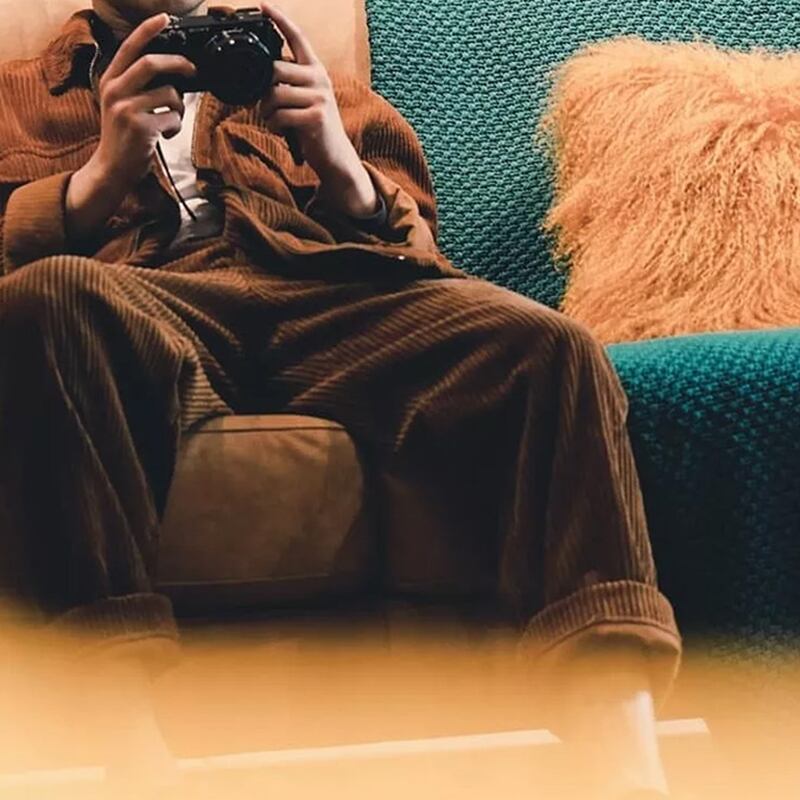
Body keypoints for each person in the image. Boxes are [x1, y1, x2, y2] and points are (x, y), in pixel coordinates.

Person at [0, 0, 682, 797]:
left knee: (550, 346)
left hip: (322, 299)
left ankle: (622, 752)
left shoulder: (303, 71)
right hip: (140, 307)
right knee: (46, 301)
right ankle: (126, 753)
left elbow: (422, 250)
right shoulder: (20, 98)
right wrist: (96, 180)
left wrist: (335, 157)